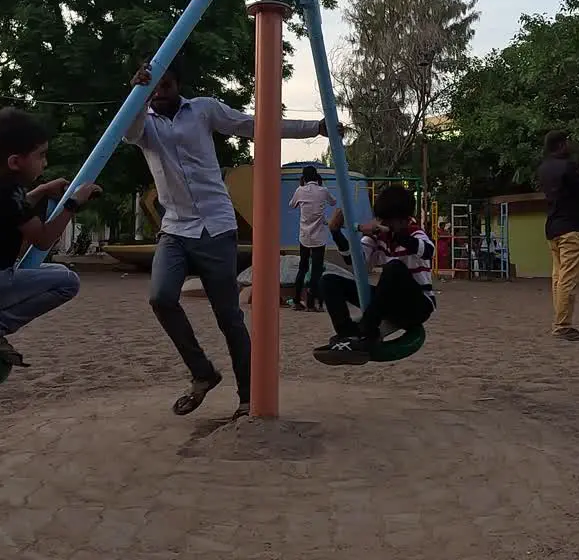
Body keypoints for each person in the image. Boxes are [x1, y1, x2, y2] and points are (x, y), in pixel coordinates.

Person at [126, 56, 338, 420]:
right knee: (161, 297)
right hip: (176, 228)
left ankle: (247, 396)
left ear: (179, 86)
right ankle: (203, 373)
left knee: (228, 315)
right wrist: (137, 93)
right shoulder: (144, 122)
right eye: (155, 87)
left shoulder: (203, 110)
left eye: (166, 86)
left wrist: (315, 127)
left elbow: (255, 125)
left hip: (216, 227)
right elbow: (126, 132)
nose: (160, 94)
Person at [0, 107, 101, 367]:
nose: (45, 163)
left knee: (51, 273)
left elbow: (16, 208)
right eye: (41, 156)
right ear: (15, 161)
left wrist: (42, 190)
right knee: (68, 281)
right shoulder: (8, 197)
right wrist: (73, 204)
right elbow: (44, 239)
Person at [313, 185, 436, 365]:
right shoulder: (377, 238)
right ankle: (347, 334)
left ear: (403, 220)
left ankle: (368, 333)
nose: (383, 223)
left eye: (388, 221)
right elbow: (355, 261)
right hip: (388, 302)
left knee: (393, 268)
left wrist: (394, 235)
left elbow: (428, 251)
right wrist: (336, 233)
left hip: (416, 305)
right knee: (328, 280)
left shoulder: (415, 234)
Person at [537, 130, 579, 342]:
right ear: (562, 144)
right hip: (570, 228)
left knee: (558, 279)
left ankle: (560, 322)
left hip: (553, 227)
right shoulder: (567, 166)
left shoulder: (545, 167)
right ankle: (562, 326)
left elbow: (569, 186)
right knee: (568, 280)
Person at [288, 165, 335, 311]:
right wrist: (322, 186)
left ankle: (296, 300)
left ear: (303, 178)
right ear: (317, 177)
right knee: (316, 270)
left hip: (304, 236)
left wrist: (300, 187)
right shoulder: (323, 191)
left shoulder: (300, 191)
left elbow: (292, 205)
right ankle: (311, 302)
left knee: (303, 267)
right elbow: (333, 202)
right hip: (319, 236)